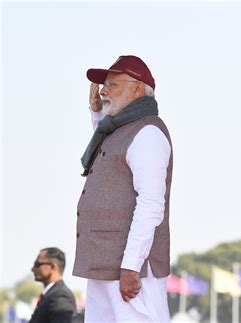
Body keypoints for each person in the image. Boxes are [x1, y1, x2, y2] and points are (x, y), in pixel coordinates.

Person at [73, 55, 173, 322]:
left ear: (137, 88)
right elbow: (104, 156)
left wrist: (131, 265)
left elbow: (151, 203)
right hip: (104, 261)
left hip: (128, 268)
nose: (103, 90)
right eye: (103, 85)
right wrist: (96, 112)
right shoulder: (119, 129)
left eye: (112, 84)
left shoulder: (148, 133)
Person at [30, 247, 77, 323]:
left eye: (37, 264)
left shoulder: (60, 296)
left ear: (53, 267)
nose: (33, 269)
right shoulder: (51, 294)